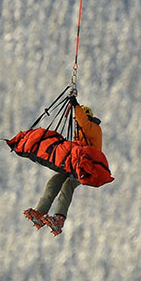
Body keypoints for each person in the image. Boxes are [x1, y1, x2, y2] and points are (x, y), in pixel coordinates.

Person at [24, 97, 102, 235]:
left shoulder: (93, 129)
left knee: (68, 185)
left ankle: (59, 219)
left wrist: (75, 105)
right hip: (77, 166)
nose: (76, 123)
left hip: (89, 168)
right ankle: (40, 213)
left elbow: (84, 124)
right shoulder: (81, 132)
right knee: (54, 182)